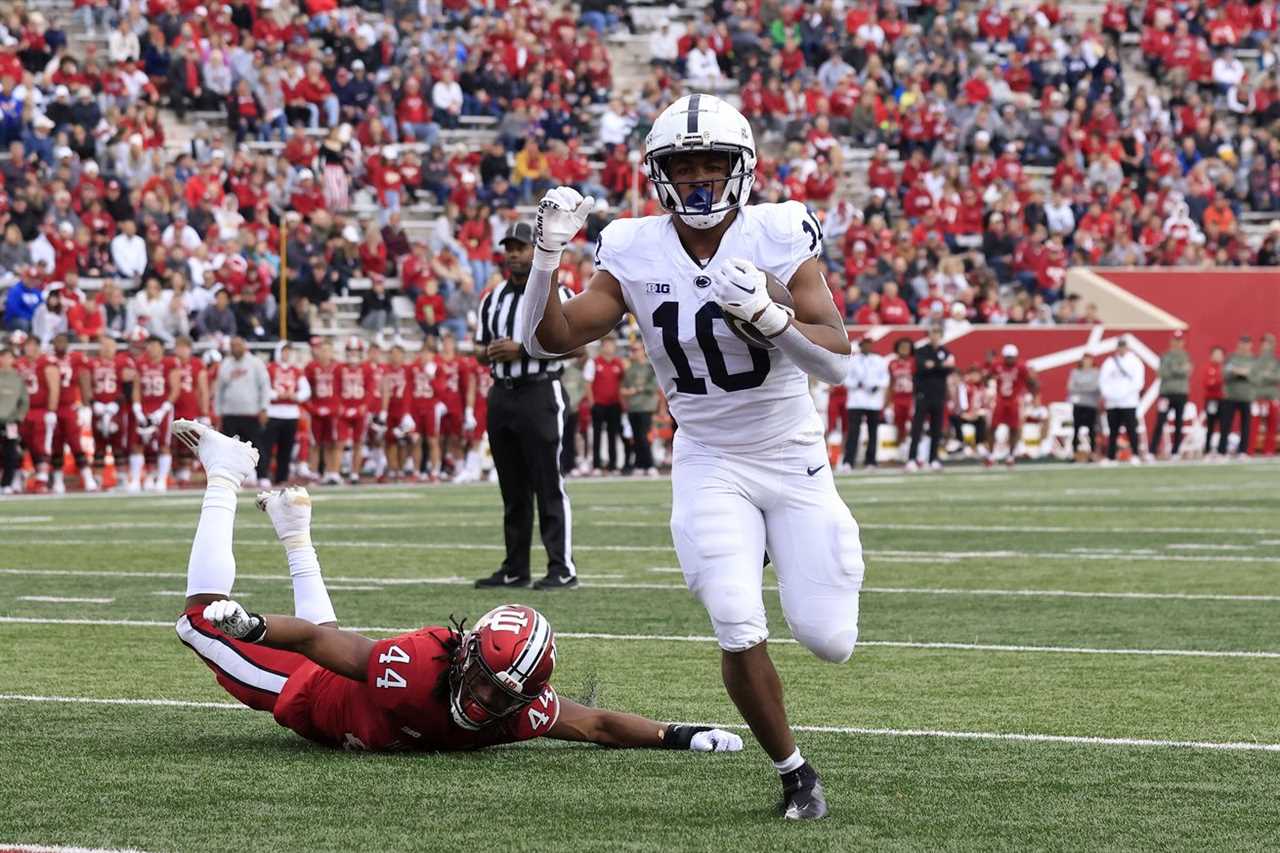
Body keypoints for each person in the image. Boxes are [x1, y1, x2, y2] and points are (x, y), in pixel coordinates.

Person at [512, 94, 863, 820]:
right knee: (736, 616)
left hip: (792, 454)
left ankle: (787, 542)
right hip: (708, 456)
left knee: (830, 638)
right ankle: (796, 772)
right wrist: (546, 261)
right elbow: (546, 340)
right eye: (683, 163)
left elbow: (836, 360)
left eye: (713, 162)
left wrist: (774, 316)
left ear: (742, 168)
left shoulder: (777, 231)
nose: (700, 176)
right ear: (657, 173)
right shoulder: (635, 247)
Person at [170, 420, 743, 756]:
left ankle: (296, 536)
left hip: (344, 690)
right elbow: (328, 648)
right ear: (465, 656)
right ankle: (225, 470)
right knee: (195, 621)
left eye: (502, 696)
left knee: (326, 635)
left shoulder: (518, 708)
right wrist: (254, 627)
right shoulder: (416, 663)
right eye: (488, 686)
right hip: (306, 694)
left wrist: (679, 736)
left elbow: (595, 723)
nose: (488, 702)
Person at [473, 222, 579, 590]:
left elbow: (578, 346)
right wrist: (489, 352)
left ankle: (561, 568)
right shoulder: (492, 298)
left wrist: (523, 349)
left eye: (520, 247)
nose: (514, 254)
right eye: (510, 248)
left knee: (548, 481)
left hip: (540, 391)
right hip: (501, 393)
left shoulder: (559, 291)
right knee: (512, 487)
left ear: (536, 250)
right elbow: (478, 347)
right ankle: (516, 568)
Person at [214, 335, 271, 467]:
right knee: (230, 449)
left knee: (256, 446)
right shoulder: (225, 364)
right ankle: (234, 476)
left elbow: (264, 386)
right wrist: (218, 412)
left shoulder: (255, 363)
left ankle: (261, 475)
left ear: (244, 346)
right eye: (233, 346)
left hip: (250, 413)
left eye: (238, 345)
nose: (235, 348)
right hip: (230, 413)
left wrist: (264, 408)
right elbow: (219, 390)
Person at [906, 324, 955, 471]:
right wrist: (940, 366)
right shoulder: (921, 351)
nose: (935, 335)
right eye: (933, 332)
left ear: (941, 335)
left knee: (936, 428)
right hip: (923, 394)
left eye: (937, 333)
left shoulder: (945, 351)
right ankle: (912, 458)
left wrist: (934, 365)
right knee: (917, 428)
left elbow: (949, 369)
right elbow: (922, 367)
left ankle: (933, 458)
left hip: (939, 394)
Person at [265, 343, 311, 486]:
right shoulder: (270, 368)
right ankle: (263, 475)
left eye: (289, 352)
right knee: (267, 446)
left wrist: (295, 396)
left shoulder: (297, 370)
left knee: (286, 448)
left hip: (291, 414)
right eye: (284, 351)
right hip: (273, 412)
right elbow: (263, 388)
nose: (287, 354)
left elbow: (306, 391)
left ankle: (282, 477)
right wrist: (276, 395)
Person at [842, 335, 888, 470]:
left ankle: (871, 461)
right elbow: (845, 378)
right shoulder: (852, 360)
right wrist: (857, 384)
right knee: (853, 432)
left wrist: (877, 386)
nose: (867, 347)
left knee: (873, 432)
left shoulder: (879, 360)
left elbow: (885, 378)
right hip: (856, 400)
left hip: (873, 401)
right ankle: (849, 461)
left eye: (869, 344)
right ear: (860, 346)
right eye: (865, 344)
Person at [987, 344, 1036, 467]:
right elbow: (987, 377)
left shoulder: (1021, 367)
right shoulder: (997, 365)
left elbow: (1031, 382)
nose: (1009, 359)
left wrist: (1031, 394)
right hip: (1000, 399)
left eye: (1012, 357)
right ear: (1004, 357)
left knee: (1014, 428)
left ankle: (1011, 455)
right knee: (992, 427)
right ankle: (991, 455)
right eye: (1007, 357)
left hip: (1014, 400)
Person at [1099, 337, 1144, 465]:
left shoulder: (1135, 362)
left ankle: (1135, 454)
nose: (1122, 349)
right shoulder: (1109, 362)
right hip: (1112, 402)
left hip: (1129, 402)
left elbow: (1138, 382)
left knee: (1131, 429)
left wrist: (1124, 394)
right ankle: (1111, 456)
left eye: (1123, 346)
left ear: (1127, 347)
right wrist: (1110, 394)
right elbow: (1103, 380)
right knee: (1113, 431)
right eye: (1120, 346)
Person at [620, 339, 659, 476]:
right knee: (636, 437)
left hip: (645, 406)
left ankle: (649, 464)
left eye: (636, 349)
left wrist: (635, 390)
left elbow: (653, 386)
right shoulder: (630, 368)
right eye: (632, 350)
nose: (634, 353)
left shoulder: (650, 367)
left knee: (643, 436)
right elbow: (623, 388)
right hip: (633, 407)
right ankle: (639, 464)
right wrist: (630, 391)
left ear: (643, 350)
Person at [1150, 330, 1192, 459]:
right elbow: (1161, 373)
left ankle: (1175, 451)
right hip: (1166, 393)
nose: (1177, 343)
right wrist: (1178, 369)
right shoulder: (1165, 356)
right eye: (1175, 340)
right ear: (1171, 341)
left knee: (1179, 422)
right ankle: (1152, 451)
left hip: (1181, 393)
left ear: (1183, 342)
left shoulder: (1186, 356)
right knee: (1160, 421)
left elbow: (1187, 372)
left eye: (1179, 340)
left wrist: (1173, 369)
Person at [589, 336, 625, 473]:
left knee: (612, 434)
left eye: (611, 345)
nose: (609, 348)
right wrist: (592, 402)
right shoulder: (594, 362)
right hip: (598, 404)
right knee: (597, 435)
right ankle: (596, 465)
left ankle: (612, 465)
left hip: (614, 404)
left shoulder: (618, 363)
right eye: (607, 345)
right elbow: (588, 382)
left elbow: (622, 382)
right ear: (602, 346)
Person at [1219, 335, 1255, 458]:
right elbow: (1225, 373)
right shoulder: (1231, 358)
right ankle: (1222, 451)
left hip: (1247, 396)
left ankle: (1243, 451)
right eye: (1242, 343)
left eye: (1247, 344)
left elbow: (1256, 375)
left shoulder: (1253, 359)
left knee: (1245, 425)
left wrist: (1242, 372)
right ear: (1238, 344)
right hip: (1231, 395)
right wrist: (1238, 372)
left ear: (1250, 345)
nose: (1244, 346)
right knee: (1226, 424)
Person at [0, 345, 27, 494]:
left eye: (9, 357)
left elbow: (24, 400)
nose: (5, 360)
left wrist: (19, 417)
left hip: (10, 421)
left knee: (10, 452)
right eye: (3, 356)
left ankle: (7, 483)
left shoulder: (17, 378)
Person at [1066, 353, 1100, 461]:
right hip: (1078, 404)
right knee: (1076, 429)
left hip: (1091, 404)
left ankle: (1092, 453)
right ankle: (1074, 453)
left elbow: (1096, 387)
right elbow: (1070, 387)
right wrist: (1087, 387)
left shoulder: (1096, 372)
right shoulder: (1075, 372)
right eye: (1084, 360)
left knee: (1092, 430)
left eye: (1088, 360)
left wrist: (1080, 387)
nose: (1086, 362)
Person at [887, 337, 915, 462]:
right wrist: (887, 401)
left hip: (910, 397)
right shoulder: (892, 363)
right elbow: (890, 383)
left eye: (907, 348)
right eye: (902, 347)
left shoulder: (914, 362)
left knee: (911, 425)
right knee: (899, 425)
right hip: (898, 397)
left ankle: (911, 452)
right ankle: (901, 452)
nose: (904, 350)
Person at [1251, 334, 1278, 456]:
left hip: (1272, 396)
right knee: (1254, 424)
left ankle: (1269, 450)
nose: (1267, 346)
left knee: (1272, 423)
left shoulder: (1276, 361)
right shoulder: (1255, 360)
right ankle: (1249, 450)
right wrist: (1267, 376)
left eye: (1269, 343)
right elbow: (1253, 377)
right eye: (1265, 343)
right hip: (1258, 397)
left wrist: (1265, 376)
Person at [1202, 346, 1225, 456]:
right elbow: (1207, 383)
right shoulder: (1209, 368)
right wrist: (1218, 382)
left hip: (1224, 400)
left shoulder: (1224, 368)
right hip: (1212, 400)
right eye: (1216, 354)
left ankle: (1221, 450)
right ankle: (1207, 449)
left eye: (1220, 354)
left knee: (1224, 425)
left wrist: (1216, 381)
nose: (1218, 357)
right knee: (1210, 424)